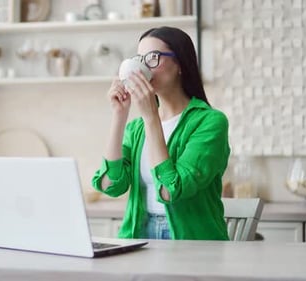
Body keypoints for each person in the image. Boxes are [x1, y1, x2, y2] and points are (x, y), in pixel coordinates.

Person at [91, 26, 230, 240]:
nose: (142, 68)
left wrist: (151, 117)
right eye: (139, 59)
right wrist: (119, 115)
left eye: (152, 58)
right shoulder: (136, 128)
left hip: (192, 243)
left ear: (181, 64)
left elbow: (170, 190)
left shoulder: (210, 122)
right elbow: (111, 185)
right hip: (139, 234)